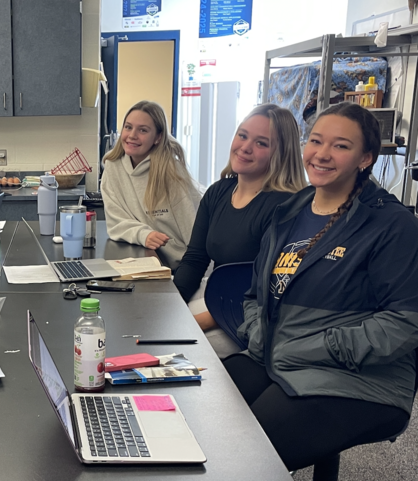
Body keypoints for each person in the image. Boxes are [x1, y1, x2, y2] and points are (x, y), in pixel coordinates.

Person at [225, 101, 418, 472]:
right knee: (202, 413)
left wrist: (322, 347)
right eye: (315, 141)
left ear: (366, 158)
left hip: (353, 377)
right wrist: (257, 332)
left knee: (245, 458)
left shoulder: (391, 226)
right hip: (276, 357)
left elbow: (405, 322)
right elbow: (255, 296)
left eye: (341, 146)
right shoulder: (289, 212)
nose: (322, 154)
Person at [174, 104, 307, 358]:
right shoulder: (219, 192)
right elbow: (195, 259)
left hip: (246, 315)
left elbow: (266, 290)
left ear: (281, 153)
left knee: (181, 353)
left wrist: (195, 322)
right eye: (243, 135)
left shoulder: (284, 206)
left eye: (261, 143)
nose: (245, 147)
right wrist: (172, 305)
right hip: (214, 295)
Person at [101, 100, 201, 270]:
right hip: (147, 259)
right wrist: (143, 234)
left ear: (158, 137)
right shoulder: (112, 166)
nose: (132, 135)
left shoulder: (171, 171)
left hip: (181, 266)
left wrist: (197, 276)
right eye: (128, 127)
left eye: (143, 130)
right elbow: (115, 222)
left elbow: (194, 231)